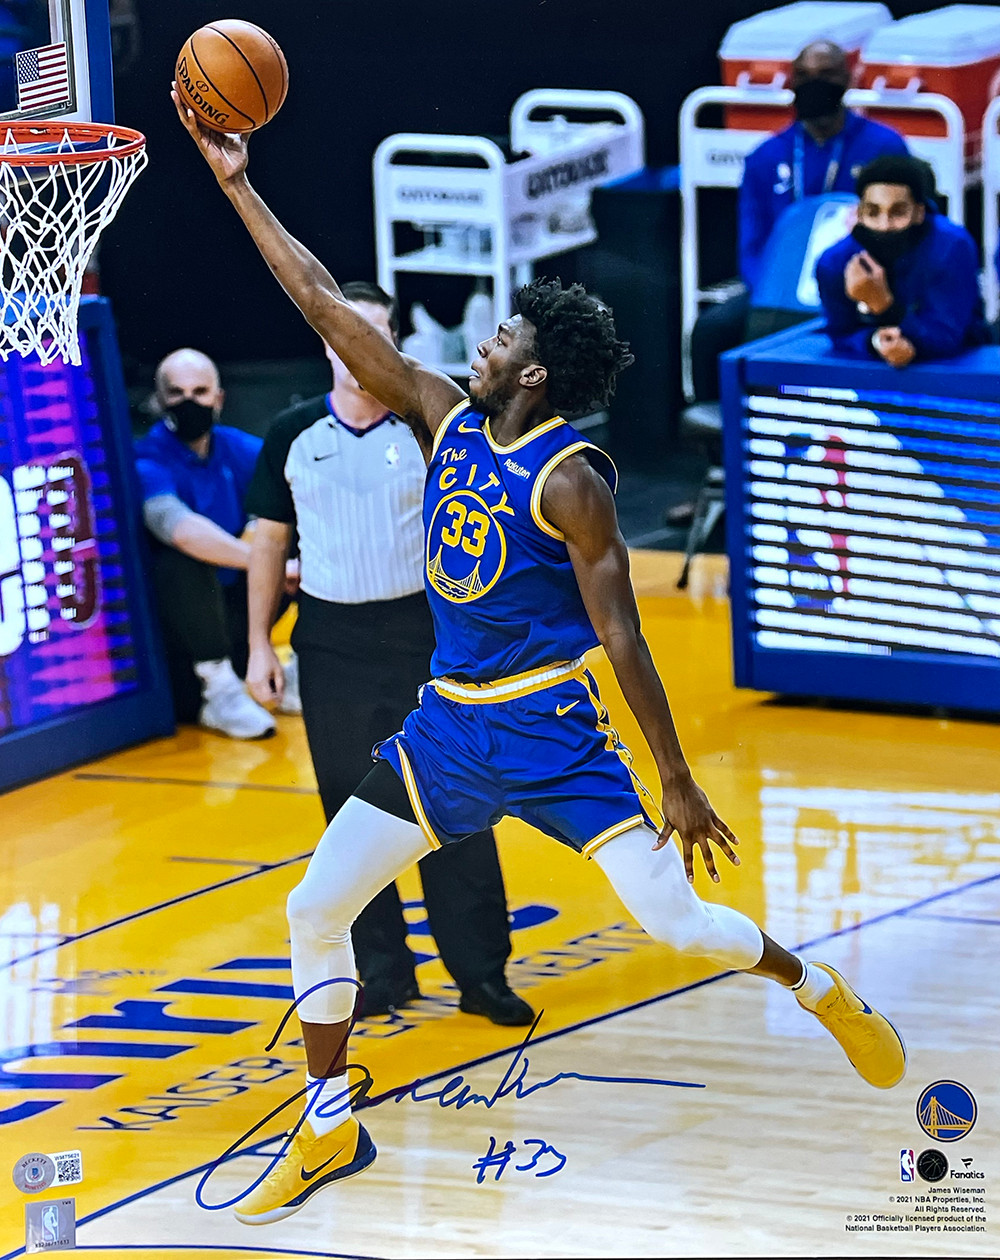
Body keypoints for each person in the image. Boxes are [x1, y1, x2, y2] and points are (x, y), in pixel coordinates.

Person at [173, 88, 907, 1228]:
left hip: (553, 735)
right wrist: (235, 183)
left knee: (679, 928)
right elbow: (321, 301)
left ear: (536, 376)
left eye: (504, 337)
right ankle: (325, 1124)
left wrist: (672, 773)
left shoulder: (572, 478)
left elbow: (622, 633)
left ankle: (815, 986)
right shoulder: (438, 412)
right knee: (314, 908)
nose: (481, 339)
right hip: (446, 729)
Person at [242, 279, 534, 1026]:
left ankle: (481, 974)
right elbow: (268, 543)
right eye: (344, 335)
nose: (355, 351)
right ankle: (380, 971)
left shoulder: (432, 427)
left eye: (371, 334)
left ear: (392, 345)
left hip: (423, 640)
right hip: (330, 643)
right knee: (351, 813)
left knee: (457, 807)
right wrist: (255, 646)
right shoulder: (292, 434)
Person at [689, 40, 910, 405]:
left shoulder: (885, 147)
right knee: (713, 328)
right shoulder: (765, 157)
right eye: (804, 76)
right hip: (781, 287)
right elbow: (752, 245)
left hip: (862, 282)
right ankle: (716, 439)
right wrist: (772, 298)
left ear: (847, 79)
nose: (814, 84)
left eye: (826, 75)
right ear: (790, 84)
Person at [134, 347, 300, 739]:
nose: (189, 402)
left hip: (236, 615)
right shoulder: (146, 458)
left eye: (200, 391)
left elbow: (299, 491)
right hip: (179, 635)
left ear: (219, 398)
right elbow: (180, 529)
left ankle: (295, 669)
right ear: (159, 401)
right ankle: (220, 691)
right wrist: (266, 562)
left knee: (296, 539)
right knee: (182, 560)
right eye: (176, 393)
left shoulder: (236, 448)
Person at [815, 154, 987, 364]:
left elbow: (947, 336)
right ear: (859, 214)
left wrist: (885, 307)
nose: (884, 224)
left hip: (960, 364)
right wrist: (875, 342)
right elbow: (840, 333)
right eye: (873, 212)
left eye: (897, 212)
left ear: (919, 212)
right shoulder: (834, 263)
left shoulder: (952, 247)